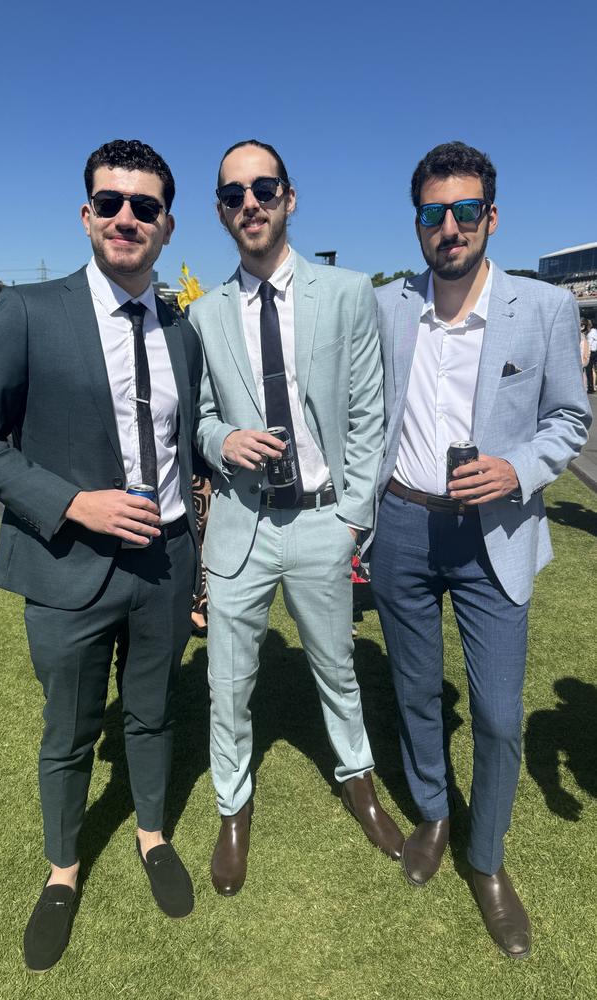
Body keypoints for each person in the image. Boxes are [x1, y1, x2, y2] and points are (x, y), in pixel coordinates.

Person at [0, 139, 201, 971]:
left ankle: (153, 833)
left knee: (154, 710)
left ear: (167, 224)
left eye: (145, 206)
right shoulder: (27, 311)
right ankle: (63, 869)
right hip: (65, 565)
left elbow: (183, 441)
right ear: (87, 213)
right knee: (69, 727)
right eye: (111, 202)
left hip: (163, 565)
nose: (127, 217)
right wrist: (71, 502)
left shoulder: (181, 330)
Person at [369, 141, 591, 959]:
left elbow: (570, 420)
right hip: (402, 524)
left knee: (498, 717)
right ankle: (432, 811)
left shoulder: (543, 309)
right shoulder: (391, 306)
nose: (451, 227)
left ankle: (487, 859)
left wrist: (518, 468)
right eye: (435, 214)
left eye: (466, 211)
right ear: (418, 224)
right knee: (416, 690)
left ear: (491, 217)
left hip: (496, 533)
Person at [188, 139, 404, 898]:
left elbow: (372, 414)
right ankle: (232, 808)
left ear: (289, 197)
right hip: (241, 525)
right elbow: (202, 419)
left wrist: (351, 519)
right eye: (234, 194)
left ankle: (360, 784)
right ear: (221, 211)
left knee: (337, 671)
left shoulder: (348, 293)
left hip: (321, 523)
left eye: (264, 187)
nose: (250, 202)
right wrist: (223, 441)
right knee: (228, 682)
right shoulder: (205, 315)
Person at [586, 319, 597, 393]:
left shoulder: (591, 333)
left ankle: (590, 387)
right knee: (592, 369)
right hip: (594, 352)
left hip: (592, 353)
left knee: (588, 370)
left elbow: (589, 344)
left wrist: (587, 354)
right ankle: (592, 386)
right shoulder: (595, 332)